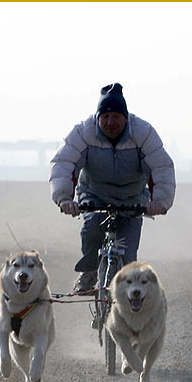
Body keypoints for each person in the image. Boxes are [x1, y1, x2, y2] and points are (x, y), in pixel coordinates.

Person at [49, 83, 175, 294]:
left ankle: (126, 306)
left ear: (125, 117)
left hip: (133, 199)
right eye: (105, 117)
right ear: (97, 117)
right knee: (91, 229)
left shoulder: (143, 133)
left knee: (128, 257)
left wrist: (160, 201)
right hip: (94, 194)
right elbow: (64, 162)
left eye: (116, 116)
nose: (110, 122)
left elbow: (161, 167)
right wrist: (64, 198)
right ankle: (88, 271)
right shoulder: (83, 132)